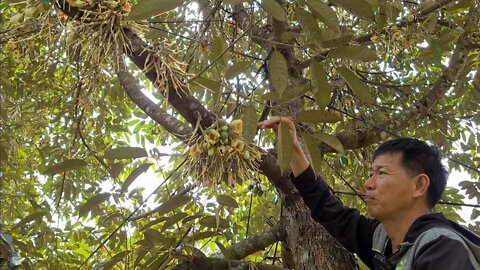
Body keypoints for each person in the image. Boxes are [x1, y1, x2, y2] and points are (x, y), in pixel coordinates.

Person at [258, 116, 480, 270]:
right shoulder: (382, 240)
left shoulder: (442, 247)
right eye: (371, 173)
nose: (368, 183)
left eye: (381, 173)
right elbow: (329, 209)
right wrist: (294, 148)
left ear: (419, 185)